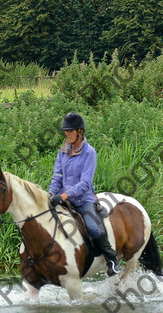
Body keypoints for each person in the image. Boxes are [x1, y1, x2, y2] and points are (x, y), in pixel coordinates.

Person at [48, 112, 121, 277]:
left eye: (70, 131)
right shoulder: (63, 151)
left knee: (92, 228)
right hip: (62, 198)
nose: (67, 134)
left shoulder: (89, 152)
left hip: (82, 199)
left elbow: (85, 183)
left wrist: (66, 195)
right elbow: (57, 176)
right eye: (65, 131)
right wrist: (51, 193)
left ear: (79, 131)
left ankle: (112, 260)